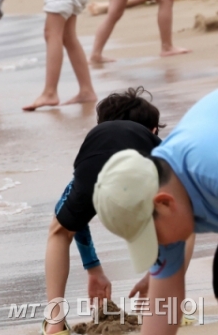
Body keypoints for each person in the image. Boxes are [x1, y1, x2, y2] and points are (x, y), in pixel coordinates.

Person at [91, 88, 218, 335]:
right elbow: (165, 303)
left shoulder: (209, 171)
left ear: (164, 203)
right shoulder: (161, 189)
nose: (158, 245)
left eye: (152, 236)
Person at [36, 90, 162, 335]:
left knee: (59, 231)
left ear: (101, 124)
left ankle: (55, 323)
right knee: (175, 221)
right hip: (149, 169)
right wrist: (153, 276)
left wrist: (94, 269)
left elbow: (74, 218)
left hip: (93, 168)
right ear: (154, 129)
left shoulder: (97, 141)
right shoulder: (155, 141)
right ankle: (167, 304)